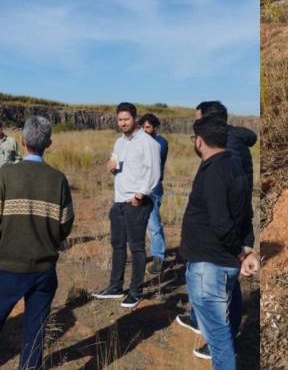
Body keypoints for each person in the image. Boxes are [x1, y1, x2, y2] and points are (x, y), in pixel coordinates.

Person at [0, 116, 74, 370]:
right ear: (48, 143)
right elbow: (65, 224)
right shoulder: (58, 179)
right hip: (44, 269)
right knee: (35, 333)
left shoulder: (5, 175)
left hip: (8, 266)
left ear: (22, 141)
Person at [179, 116, 259, 368]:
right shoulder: (234, 167)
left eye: (194, 138)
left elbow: (221, 223)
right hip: (220, 265)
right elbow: (246, 214)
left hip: (208, 267)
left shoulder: (214, 172)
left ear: (199, 141)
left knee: (219, 339)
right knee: (220, 331)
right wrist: (245, 251)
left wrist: (240, 252)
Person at [92, 102, 161, 309]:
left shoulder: (147, 142)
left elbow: (154, 172)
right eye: (120, 120)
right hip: (119, 202)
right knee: (118, 245)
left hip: (136, 202)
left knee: (137, 247)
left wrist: (139, 195)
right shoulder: (119, 143)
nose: (122, 123)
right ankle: (115, 287)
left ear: (135, 118)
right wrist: (111, 167)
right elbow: (115, 165)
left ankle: (135, 291)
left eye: (126, 119)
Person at [138, 113, 168, 275]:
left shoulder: (160, 142)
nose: (144, 129)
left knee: (154, 224)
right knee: (137, 223)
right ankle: (139, 253)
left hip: (153, 190)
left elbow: (151, 160)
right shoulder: (140, 141)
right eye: (142, 127)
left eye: (147, 127)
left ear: (155, 127)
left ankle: (158, 257)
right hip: (137, 188)